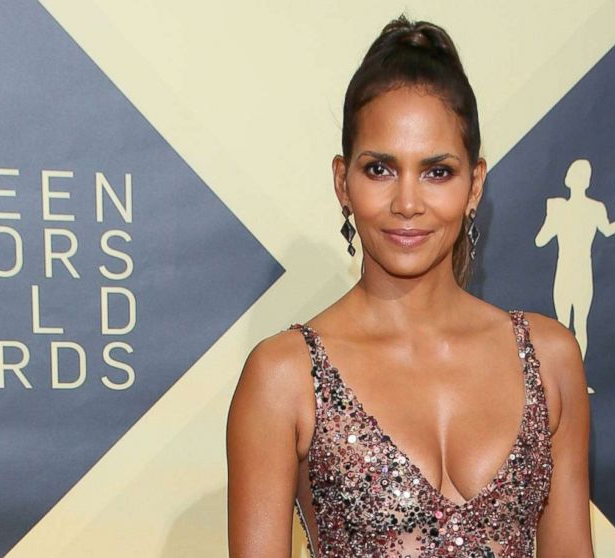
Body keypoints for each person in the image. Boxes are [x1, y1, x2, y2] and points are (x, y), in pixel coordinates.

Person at [226, 14, 592, 557]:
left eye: (437, 171)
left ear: (475, 184)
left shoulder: (550, 358)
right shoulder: (284, 376)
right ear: (341, 182)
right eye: (380, 169)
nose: (407, 203)